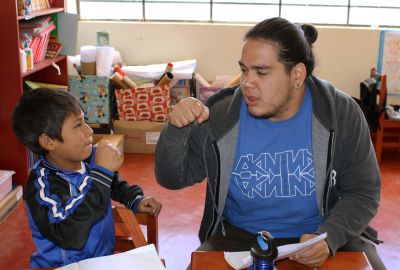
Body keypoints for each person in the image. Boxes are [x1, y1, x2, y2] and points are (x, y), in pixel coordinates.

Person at [155, 17, 385, 269]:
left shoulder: (339, 113)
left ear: (297, 74)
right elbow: (172, 179)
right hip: (238, 238)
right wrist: (176, 129)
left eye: (262, 72)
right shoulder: (221, 115)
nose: (246, 83)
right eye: (244, 70)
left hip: (320, 233)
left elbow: (363, 190)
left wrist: (331, 236)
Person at [12, 88, 162, 268]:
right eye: (77, 125)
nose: (89, 130)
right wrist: (101, 173)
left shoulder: (90, 158)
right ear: (48, 142)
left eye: (84, 121)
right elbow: (68, 235)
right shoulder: (42, 186)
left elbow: (113, 185)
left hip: (101, 260)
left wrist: (134, 199)